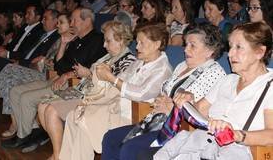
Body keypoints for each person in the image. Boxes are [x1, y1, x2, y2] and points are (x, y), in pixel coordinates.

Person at [101, 23, 226, 160]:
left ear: (209, 51)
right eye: (186, 44)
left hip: (178, 129)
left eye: (192, 45)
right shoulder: (182, 65)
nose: (185, 50)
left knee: (131, 148)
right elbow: (164, 92)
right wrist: (161, 100)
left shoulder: (214, 73)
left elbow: (205, 113)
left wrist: (173, 109)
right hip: (156, 120)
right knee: (110, 137)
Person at [154, 22, 273, 160]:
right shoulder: (227, 81)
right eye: (230, 47)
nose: (230, 54)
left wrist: (236, 134)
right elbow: (198, 112)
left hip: (233, 152)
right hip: (202, 146)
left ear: (260, 52)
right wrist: (189, 99)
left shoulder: (269, 86)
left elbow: (271, 135)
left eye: (238, 47)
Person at [60, 23, 173, 160]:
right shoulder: (139, 61)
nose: (136, 47)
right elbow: (119, 82)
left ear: (157, 44)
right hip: (116, 107)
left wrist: (111, 78)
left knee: (84, 121)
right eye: (137, 42)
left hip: (133, 115)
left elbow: (140, 94)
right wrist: (104, 77)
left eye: (142, 43)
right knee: (74, 115)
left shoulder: (162, 70)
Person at [1, 7, 107, 152]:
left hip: (72, 84)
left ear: (87, 21)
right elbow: (59, 64)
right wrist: (63, 43)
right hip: (57, 78)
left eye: (74, 20)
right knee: (15, 91)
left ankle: (23, 136)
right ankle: (26, 131)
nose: (72, 24)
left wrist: (66, 74)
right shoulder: (76, 40)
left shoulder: (98, 40)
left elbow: (90, 70)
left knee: (26, 98)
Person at [38, 21, 136, 160]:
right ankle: (58, 152)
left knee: (51, 111)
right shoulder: (108, 56)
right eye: (104, 40)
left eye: (108, 41)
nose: (104, 45)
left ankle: (58, 156)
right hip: (82, 91)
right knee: (42, 106)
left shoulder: (128, 61)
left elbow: (113, 89)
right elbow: (93, 76)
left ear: (120, 40)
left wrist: (89, 74)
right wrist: (87, 74)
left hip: (95, 100)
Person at [0, 13, 70, 138]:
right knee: (10, 74)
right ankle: (12, 121)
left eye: (61, 22)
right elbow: (40, 57)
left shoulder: (64, 39)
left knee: (9, 70)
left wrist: (44, 61)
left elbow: (56, 65)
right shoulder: (58, 38)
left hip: (46, 75)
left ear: (70, 24)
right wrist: (44, 60)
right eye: (58, 22)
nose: (58, 25)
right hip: (37, 69)